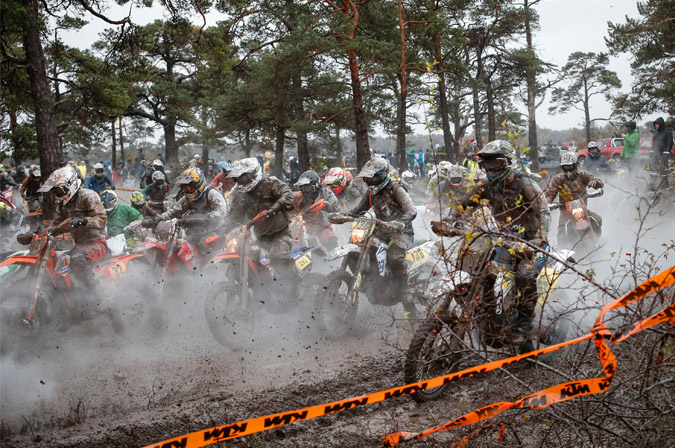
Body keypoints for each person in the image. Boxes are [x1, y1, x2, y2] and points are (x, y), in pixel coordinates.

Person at [434, 140, 548, 353]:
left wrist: (538, 240)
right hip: (502, 240)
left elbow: (544, 213)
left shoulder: (525, 184)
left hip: (531, 243)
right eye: (486, 165)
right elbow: (463, 204)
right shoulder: (485, 184)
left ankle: (523, 326)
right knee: (483, 269)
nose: (490, 170)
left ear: (506, 163)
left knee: (524, 276)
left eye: (494, 164)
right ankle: (490, 320)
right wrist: (449, 221)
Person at [348, 158, 417, 309]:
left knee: (394, 257)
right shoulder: (370, 193)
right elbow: (359, 210)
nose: (370, 181)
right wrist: (344, 216)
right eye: (367, 177)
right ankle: (371, 281)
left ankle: (406, 290)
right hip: (380, 231)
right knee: (359, 246)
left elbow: (412, 210)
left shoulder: (397, 189)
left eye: (373, 177)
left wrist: (400, 222)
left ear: (381, 175)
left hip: (401, 232)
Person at [37, 166, 108, 309]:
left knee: (78, 258)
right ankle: (71, 304)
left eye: (58, 190)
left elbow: (101, 220)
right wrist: (40, 234)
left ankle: (102, 297)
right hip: (80, 244)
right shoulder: (64, 204)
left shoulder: (88, 196)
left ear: (69, 185)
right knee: (59, 262)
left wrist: (83, 221)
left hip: (97, 243)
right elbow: (56, 226)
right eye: (54, 191)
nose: (56, 194)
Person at [224, 158, 296, 292]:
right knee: (247, 259)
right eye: (237, 178)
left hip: (281, 233)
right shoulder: (241, 195)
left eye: (242, 177)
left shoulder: (270, 184)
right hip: (260, 238)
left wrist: (272, 209)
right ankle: (261, 294)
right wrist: (221, 229)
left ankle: (297, 282)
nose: (239, 181)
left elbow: (288, 196)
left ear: (253, 174)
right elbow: (233, 217)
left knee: (277, 256)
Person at [157, 167, 227, 252]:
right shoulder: (186, 199)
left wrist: (205, 217)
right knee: (177, 245)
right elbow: (173, 211)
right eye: (186, 188)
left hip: (213, 232)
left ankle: (210, 265)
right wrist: (159, 218)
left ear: (199, 184)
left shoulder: (211, 194)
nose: (188, 190)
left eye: (191, 187)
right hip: (192, 233)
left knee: (202, 244)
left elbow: (222, 212)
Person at [545, 151, 603, 239]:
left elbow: (597, 181)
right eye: (565, 167)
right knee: (561, 234)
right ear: (562, 167)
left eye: (570, 167)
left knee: (598, 219)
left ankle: (597, 239)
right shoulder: (558, 179)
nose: (568, 170)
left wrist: (595, 182)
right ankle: (562, 250)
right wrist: (548, 204)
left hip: (582, 208)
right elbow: (550, 193)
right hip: (565, 211)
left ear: (575, 165)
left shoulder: (583, 175)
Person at [292, 170, 340, 250]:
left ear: (316, 185)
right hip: (305, 228)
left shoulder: (326, 193)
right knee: (309, 240)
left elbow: (336, 208)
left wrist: (326, 205)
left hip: (323, 226)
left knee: (330, 238)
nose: (305, 190)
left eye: (307, 187)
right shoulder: (299, 197)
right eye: (302, 187)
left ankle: (334, 260)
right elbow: (289, 209)